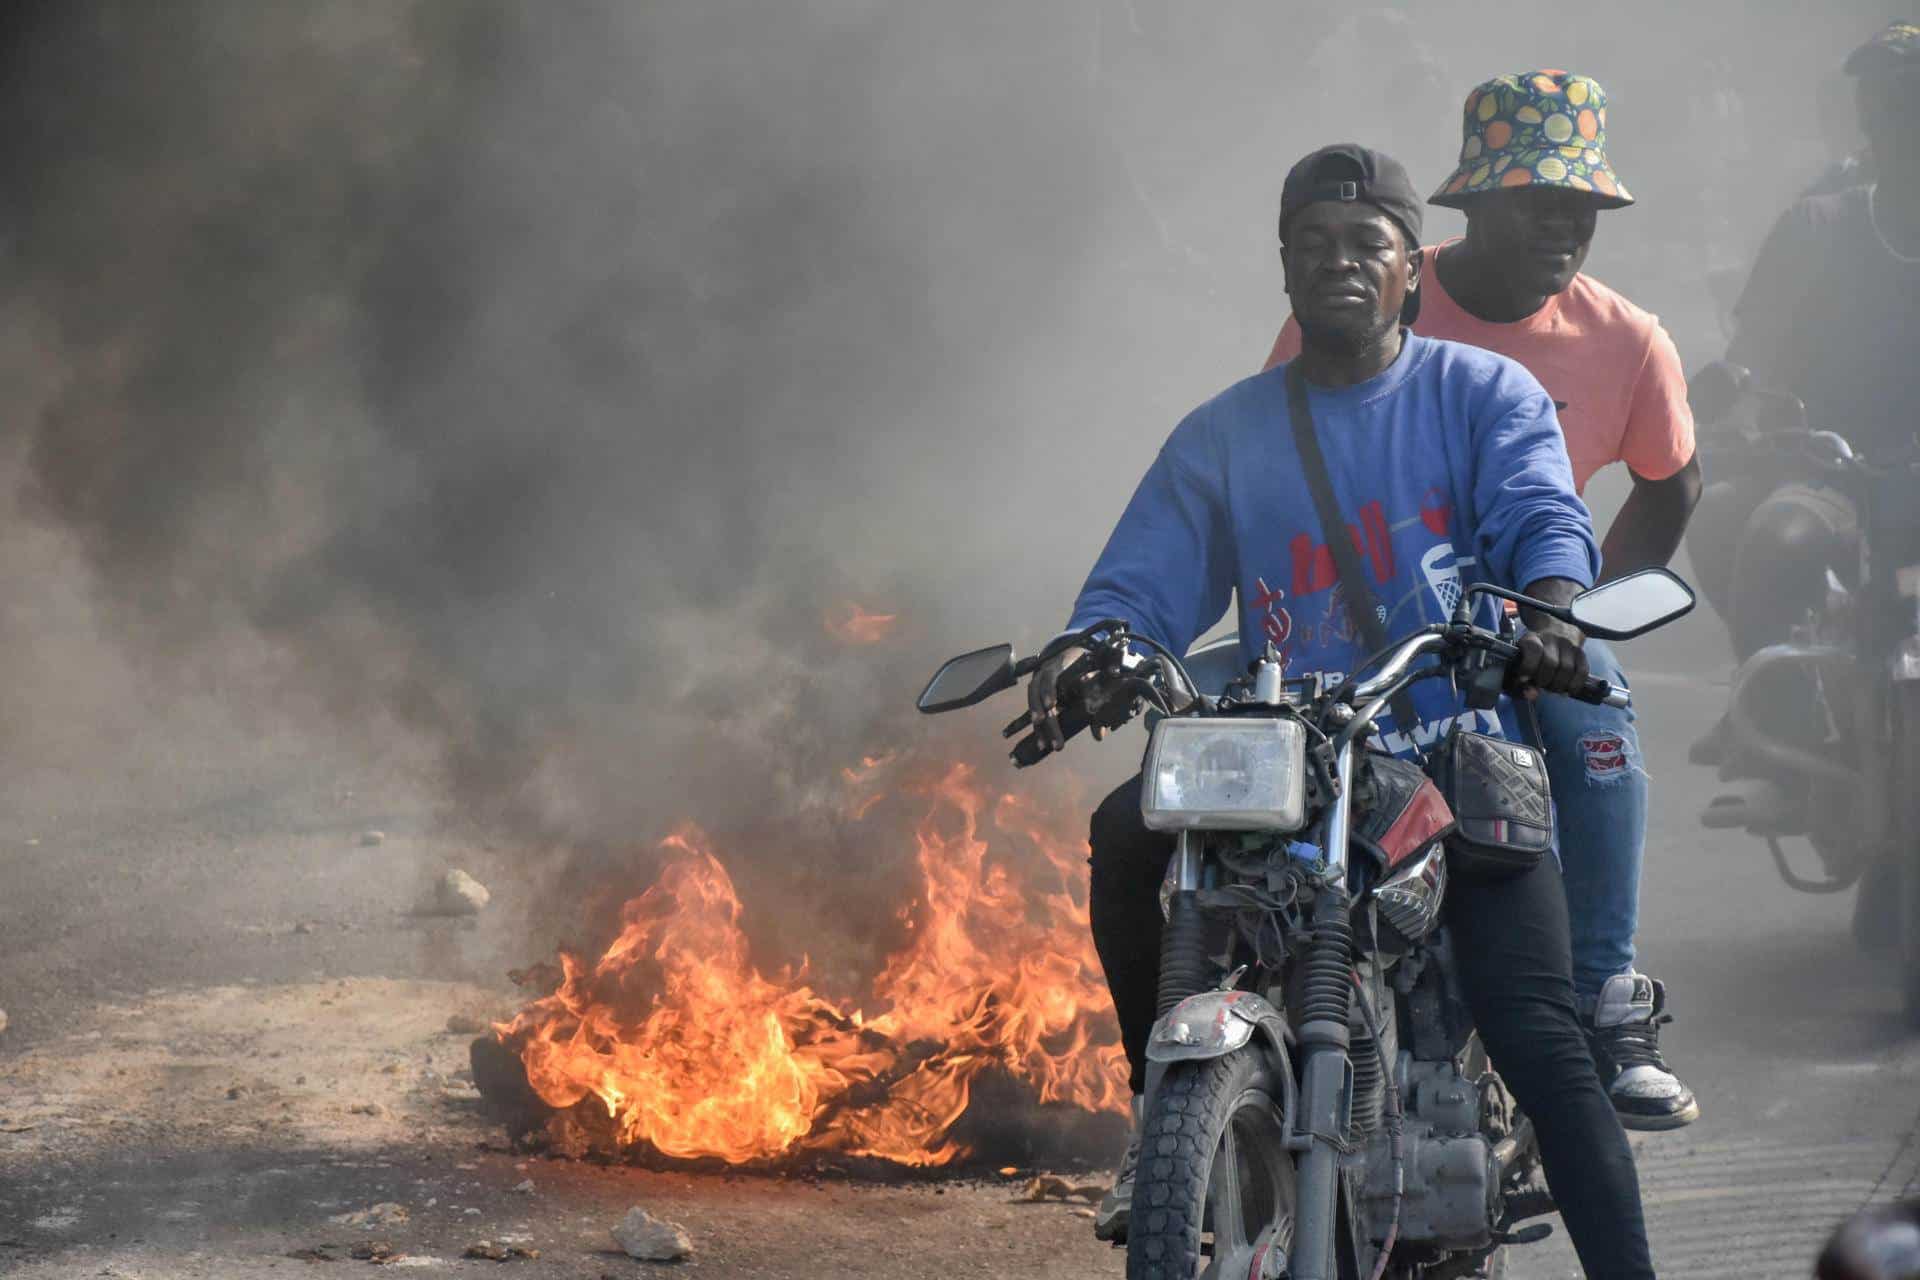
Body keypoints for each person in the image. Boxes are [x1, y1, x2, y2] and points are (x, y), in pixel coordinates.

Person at [1042, 140, 1655, 1278]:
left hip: (1453, 746)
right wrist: (1098, 648)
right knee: (1126, 835)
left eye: (1365, 243)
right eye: (1313, 243)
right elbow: (1142, 582)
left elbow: (1539, 510)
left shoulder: (1483, 392)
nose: (1339, 262)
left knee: (1542, 1040)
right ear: (1282, 266)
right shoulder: (1223, 430)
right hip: (1287, 758)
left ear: (1409, 269)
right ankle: (1164, 1123)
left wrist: (1553, 609)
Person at [1264, 70, 1703, 1132]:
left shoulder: (1627, 340)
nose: (1562, 225)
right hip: (1357, 622)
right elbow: (1282, 455)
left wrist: (1576, 612)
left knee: (1596, 714)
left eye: (1581, 208)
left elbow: (1672, 479)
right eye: (1534, 201)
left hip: (1518, 626)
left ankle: (1606, 994)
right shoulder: (1373, 287)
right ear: (1469, 210)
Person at [1686, 21, 1920, 826]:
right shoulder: (1819, 227)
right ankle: (1775, 736)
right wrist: (1731, 397)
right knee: (1764, 534)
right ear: (1869, 123)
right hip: (1837, 470)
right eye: (1889, 107)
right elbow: (1755, 350)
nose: (1903, 123)